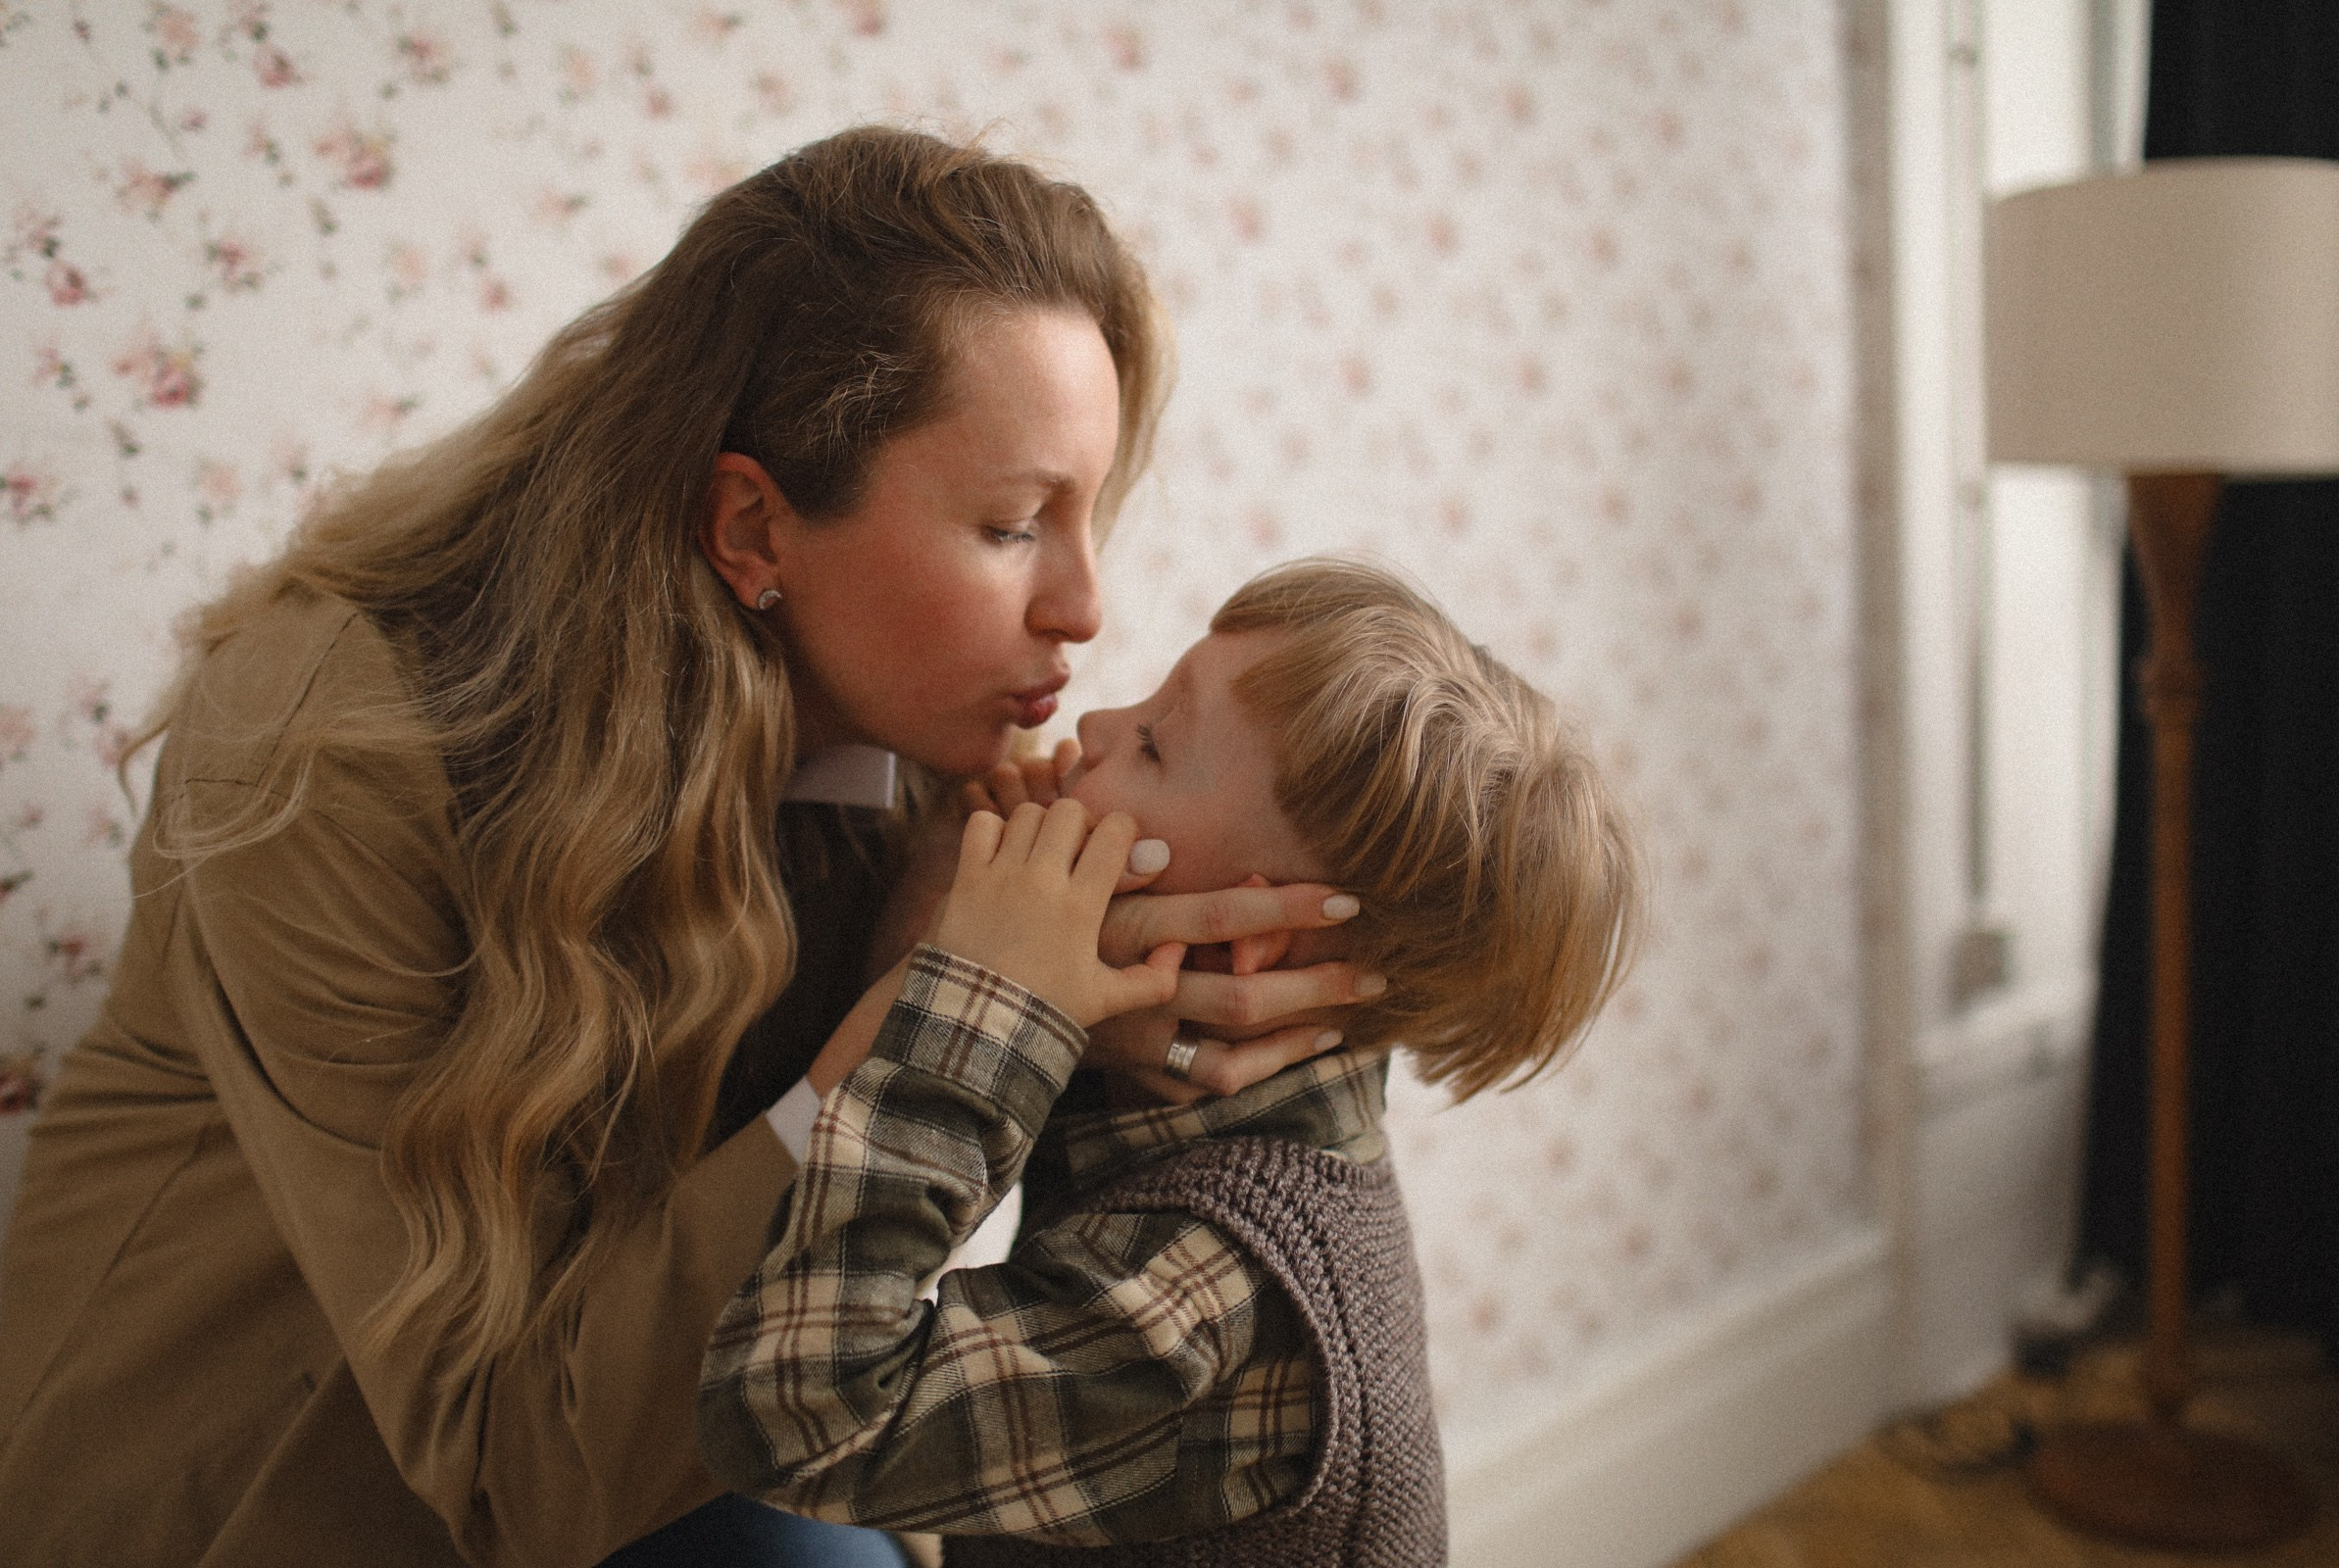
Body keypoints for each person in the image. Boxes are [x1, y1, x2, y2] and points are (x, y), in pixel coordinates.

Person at [0, 128, 1378, 1568]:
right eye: (1016, 523)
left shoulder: (923, 737)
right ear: (749, 525)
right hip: (281, 1486)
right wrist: (943, 1031)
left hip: (679, 1445)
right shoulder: (320, 753)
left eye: (1091, 514)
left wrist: (1196, 1019)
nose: (1087, 610)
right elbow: (505, 1472)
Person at [697, 558, 1644, 1564]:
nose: (1096, 725)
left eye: (1151, 743)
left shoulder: (1226, 1283)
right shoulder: (1197, 1091)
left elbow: (793, 1413)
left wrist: (990, 1004)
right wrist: (943, 913)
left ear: (1248, 935)